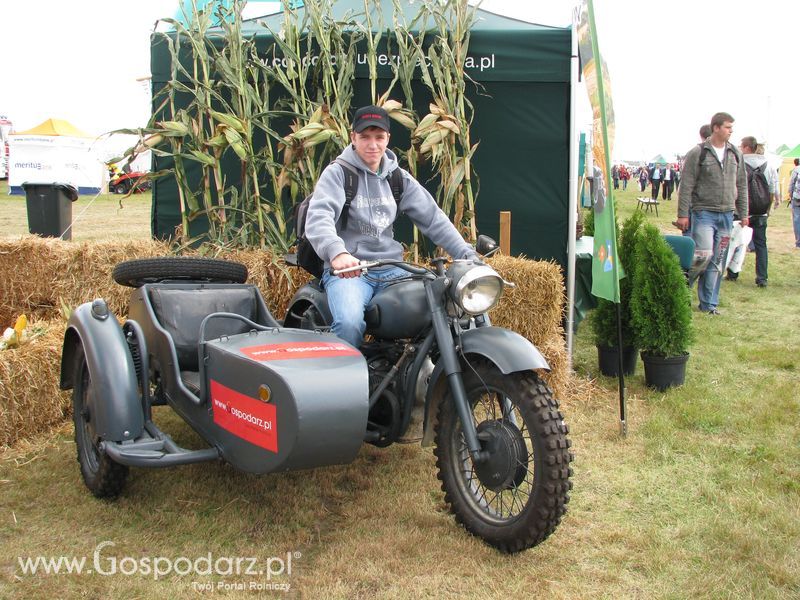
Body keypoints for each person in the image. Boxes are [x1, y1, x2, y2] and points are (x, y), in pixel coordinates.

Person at [305, 105, 477, 349]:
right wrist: (338, 253)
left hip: (393, 269)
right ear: (353, 137)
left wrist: (468, 255)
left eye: (379, 137)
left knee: (446, 306)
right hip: (351, 272)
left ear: (388, 138)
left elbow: (433, 219)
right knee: (349, 323)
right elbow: (318, 218)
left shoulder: (397, 177)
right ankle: (345, 373)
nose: (372, 145)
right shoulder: (338, 174)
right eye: (365, 137)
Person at [675, 112, 748, 315]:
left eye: (732, 128)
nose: (731, 131)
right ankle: (681, 291)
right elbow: (686, 185)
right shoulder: (698, 152)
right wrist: (683, 214)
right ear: (716, 127)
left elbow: (741, 184)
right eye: (727, 127)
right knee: (703, 256)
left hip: (727, 215)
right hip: (703, 213)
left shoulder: (735, 153)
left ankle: (709, 304)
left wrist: (744, 212)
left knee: (718, 261)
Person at [726, 136, 779, 286]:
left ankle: (732, 273)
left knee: (736, 242)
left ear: (747, 148)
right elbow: (771, 190)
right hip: (760, 211)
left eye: (741, 147)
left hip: (741, 211)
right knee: (761, 245)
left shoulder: (738, 163)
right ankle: (762, 278)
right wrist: (767, 209)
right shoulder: (769, 165)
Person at [789, 158, 800, 249]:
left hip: (797, 197)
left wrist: (791, 195)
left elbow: (792, 184)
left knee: (797, 219)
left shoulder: (796, 170)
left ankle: (798, 242)